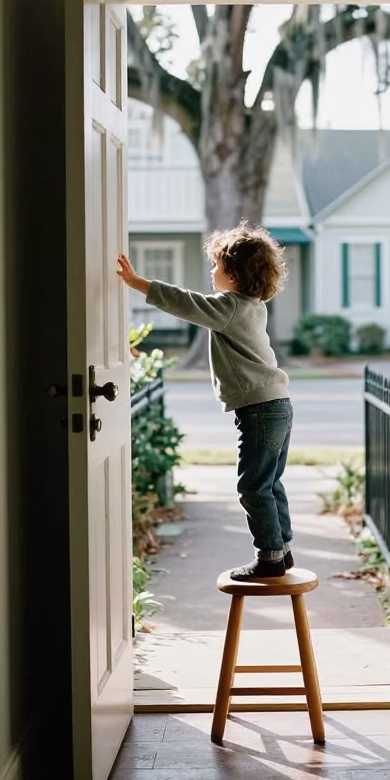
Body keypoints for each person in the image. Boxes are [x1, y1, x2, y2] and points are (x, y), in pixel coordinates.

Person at [116, 224, 296, 581]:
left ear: (235, 273)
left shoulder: (229, 306)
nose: (211, 273)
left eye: (216, 266)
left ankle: (270, 558)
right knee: (270, 483)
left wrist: (140, 284)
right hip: (277, 404)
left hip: (260, 409)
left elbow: (187, 303)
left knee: (252, 486)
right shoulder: (254, 306)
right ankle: (282, 549)